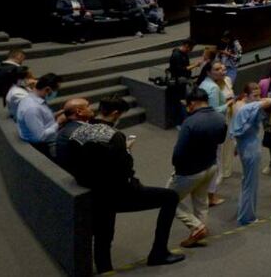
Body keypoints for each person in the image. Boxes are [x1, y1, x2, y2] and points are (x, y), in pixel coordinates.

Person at [55, 98, 183, 271]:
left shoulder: (79, 132)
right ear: (116, 114)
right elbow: (125, 170)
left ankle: (104, 270)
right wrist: (127, 151)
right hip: (118, 192)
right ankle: (159, 252)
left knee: (103, 237)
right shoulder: (115, 136)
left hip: (93, 191)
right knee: (170, 197)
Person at [167, 88, 228, 248]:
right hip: (211, 166)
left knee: (168, 199)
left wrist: (177, 168)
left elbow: (178, 152)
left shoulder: (190, 122)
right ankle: (200, 234)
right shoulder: (220, 117)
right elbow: (221, 139)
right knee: (201, 202)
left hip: (190, 171)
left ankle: (197, 227)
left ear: (192, 103)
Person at [230, 93, 271, 225]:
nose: (257, 98)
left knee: (247, 182)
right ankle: (246, 217)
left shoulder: (239, 107)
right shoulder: (248, 108)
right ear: (246, 95)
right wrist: (259, 100)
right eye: (254, 95)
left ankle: (244, 210)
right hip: (251, 148)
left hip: (243, 146)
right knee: (251, 184)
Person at [198, 60, 235, 206]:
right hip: (214, 127)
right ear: (208, 72)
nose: (222, 71)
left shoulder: (204, 84)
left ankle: (206, 192)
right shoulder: (213, 88)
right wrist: (228, 104)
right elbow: (213, 111)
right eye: (217, 69)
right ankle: (211, 196)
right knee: (215, 161)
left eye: (222, 68)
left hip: (204, 126)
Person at [15, 73, 64, 156]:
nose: (56, 93)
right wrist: (58, 123)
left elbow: (41, 119)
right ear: (47, 90)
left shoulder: (34, 99)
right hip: (44, 146)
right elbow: (40, 137)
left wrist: (55, 115)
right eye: (56, 90)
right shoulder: (32, 108)